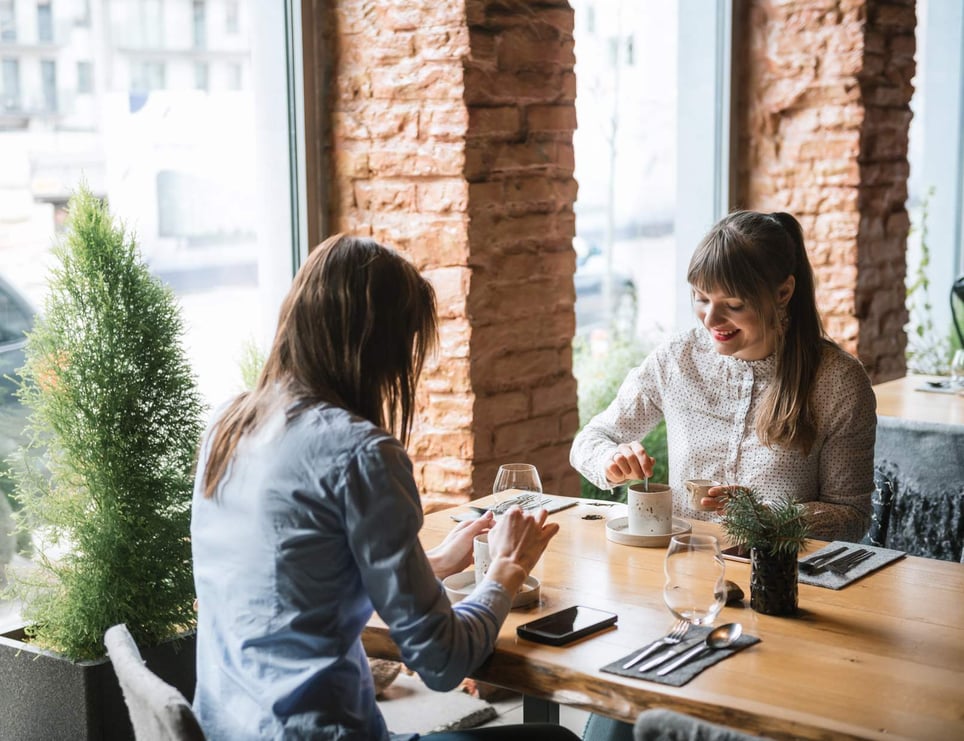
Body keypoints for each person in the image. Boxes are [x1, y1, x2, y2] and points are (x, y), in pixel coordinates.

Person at [191, 235, 579, 740]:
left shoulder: (228, 423)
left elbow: (295, 578)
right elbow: (441, 662)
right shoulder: (361, 453)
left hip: (230, 728)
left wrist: (433, 563)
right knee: (554, 738)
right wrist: (506, 570)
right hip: (316, 733)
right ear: (382, 348)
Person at [571, 210, 877, 543]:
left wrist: (768, 518)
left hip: (778, 578)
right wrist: (611, 459)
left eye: (732, 304)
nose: (710, 319)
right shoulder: (677, 359)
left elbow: (852, 515)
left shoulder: (839, 382)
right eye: (701, 299)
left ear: (783, 293)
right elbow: (590, 440)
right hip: (679, 568)